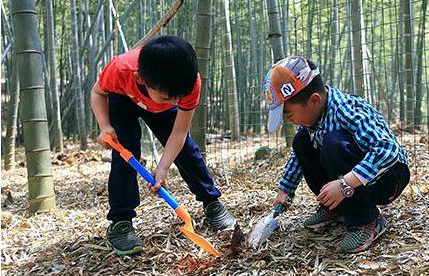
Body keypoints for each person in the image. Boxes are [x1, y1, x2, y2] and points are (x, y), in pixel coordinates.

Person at [91, 36, 236, 256]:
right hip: (122, 99)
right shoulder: (120, 69)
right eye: (170, 98)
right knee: (125, 157)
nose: (176, 102)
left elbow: (179, 132)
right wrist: (105, 126)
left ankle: (212, 203)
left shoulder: (186, 85)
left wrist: (163, 167)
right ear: (141, 79)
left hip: (158, 104)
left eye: (179, 98)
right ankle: (121, 222)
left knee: (187, 151)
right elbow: (97, 92)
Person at [264, 56, 410, 253]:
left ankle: (366, 220)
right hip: (353, 180)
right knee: (301, 142)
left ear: (314, 100)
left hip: (387, 178)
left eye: (289, 114)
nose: (289, 121)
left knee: (334, 144)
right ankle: (335, 208)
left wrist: (345, 185)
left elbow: (388, 150)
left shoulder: (346, 110)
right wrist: (285, 190)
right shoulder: (312, 119)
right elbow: (297, 158)